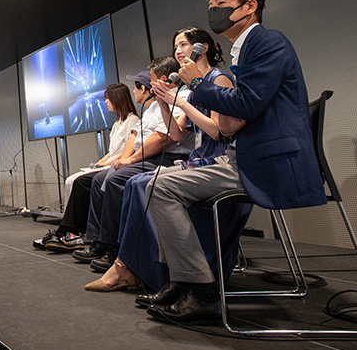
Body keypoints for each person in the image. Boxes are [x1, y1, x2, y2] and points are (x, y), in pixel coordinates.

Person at [143, 0, 326, 323]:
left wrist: (196, 82)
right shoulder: (244, 51)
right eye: (211, 7)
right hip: (238, 158)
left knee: (158, 185)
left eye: (221, 5)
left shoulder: (269, 42)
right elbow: (229, 123)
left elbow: (246, 104)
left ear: (250, 6)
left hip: (266, 163)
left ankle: (200, 288)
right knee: (158, 184)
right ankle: (187, 281)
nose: (213, 14)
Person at [84, 27, 252, 292]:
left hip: (216, 159)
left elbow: (218, 132)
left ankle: (143, 270)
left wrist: (180, 102)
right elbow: (176, 131)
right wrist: (164, 102)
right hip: (199, 159)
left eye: (183, 45)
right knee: (136, 183)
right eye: (175, 46)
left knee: (140, 184)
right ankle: (130, 265)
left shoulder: (218, 80)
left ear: (202, 48)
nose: (177, 51)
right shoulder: (196, 90)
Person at [72, 58, 193, 270]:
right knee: (101, 178)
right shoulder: (154, 106)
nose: (149, 86)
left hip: (165, 157)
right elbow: (135, 137)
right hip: (145, 155)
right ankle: (100, 241)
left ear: (163, 79)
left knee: (116, 180)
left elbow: (162, 137)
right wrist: (122, 160)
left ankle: (116, 248)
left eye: (152, 80)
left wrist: (131, 160)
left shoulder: (181, 97)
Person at [33, 83, 140, 252]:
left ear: (117, 99)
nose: (105, 102)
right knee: (71, 180)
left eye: (107, 99)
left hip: (118, 166)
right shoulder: (118, 122)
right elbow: (112, 151)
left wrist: (105, 163)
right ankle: (71, 231)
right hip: (111, 162)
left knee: (80, 182)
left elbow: (126, 152)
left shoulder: (133, 121)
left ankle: (70, 232)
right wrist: (100, 162)